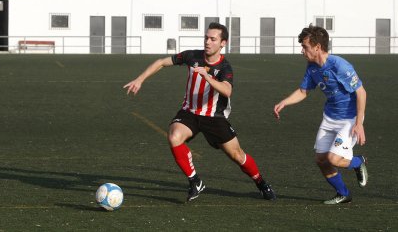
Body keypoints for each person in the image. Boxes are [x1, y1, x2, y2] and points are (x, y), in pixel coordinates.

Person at [124, 22, 276, 202]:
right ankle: (195, 181)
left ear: (223, 43)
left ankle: (261, 182)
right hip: (190, 112)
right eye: (206, 38)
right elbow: (162, 62)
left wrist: (207, 76)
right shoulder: (192, 56)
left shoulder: (225, 67)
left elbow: (227, 90)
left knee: (237, 155)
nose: (208, 42)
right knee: (174, 136)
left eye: (213, 39)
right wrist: (140, 79)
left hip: (214, 117)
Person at [273, 24, 368, 205]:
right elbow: (303, 91)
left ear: (317, 47)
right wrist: (284, 102)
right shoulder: (312, 67)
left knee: (335, 159)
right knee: (321, 160)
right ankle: (343, 193)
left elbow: (361, 92)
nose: (302, 51)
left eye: (305, 47)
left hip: (349, 119)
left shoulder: (339, 66)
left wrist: (359, 123)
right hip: (330, 118)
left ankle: (358, 162)